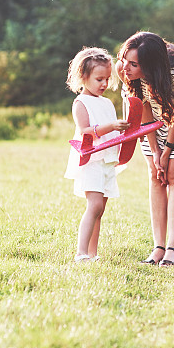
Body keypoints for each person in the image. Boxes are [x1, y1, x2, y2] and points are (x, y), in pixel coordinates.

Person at [116, 31, 174, 266]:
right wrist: (156, 152)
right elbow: (143, 109)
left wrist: (167, 150)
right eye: (125, 59)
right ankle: (158, 248)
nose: (125, 67)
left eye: (134, 64)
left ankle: (172, 251)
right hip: (150, 123)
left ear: (151, 66)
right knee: (156, 176)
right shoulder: (124, 70)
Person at [65, 47, 130, 263]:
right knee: (93, 206)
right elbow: (85, 131)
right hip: (91, 159)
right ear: (84, 77)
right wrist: (111, 125)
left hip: (107, 160)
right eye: (99, 79)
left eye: (107, 79)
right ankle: (81, 253)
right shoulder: (81, 103)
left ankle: (92, 254)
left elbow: (113, 134)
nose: (104, 84)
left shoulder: (107, 103)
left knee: (100, 209)